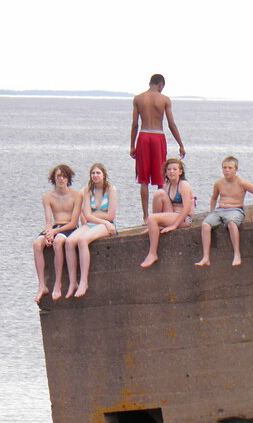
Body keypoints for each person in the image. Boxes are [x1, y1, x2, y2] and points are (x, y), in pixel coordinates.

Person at [130, 73, 186, 220]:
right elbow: (171, 124)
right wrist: (180, 144)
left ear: (150, 83)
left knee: (143, 180)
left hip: (143, 136)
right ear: (160, 85)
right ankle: (160, 215)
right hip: (158, 136)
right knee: (160, 178)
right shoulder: (164, 100)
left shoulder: (138, 99)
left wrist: (132, 145)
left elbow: (135, 124)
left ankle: (145, 216)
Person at [195, 157, 253, 267]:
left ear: (236, 170)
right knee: (205, 225)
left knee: (231, 224)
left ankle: (237, 254)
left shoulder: (241, 182)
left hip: (236, 209)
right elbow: (214, 198)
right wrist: (212, 212)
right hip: (220, 209)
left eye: (230, 168)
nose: (227, 170)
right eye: (224, 168)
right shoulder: (218, 183)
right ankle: (206, 257)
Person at [64, 163, 118, 298]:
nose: (95, 176)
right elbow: (87, 215)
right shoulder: (87, 191)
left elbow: (111, 215)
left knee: (83, 241)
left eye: (98, 173)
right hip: (95, 223)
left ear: (104, 175)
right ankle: (72, 282)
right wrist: (100, 218)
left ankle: (84, 282)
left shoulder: (111, 190)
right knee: (70, 242)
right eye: (93, 173)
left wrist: (101, 220)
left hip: (107, 225)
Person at [33, 164, 80, 303]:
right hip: (55, 226)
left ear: (68, 178)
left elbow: (73, 223)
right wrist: (48, 234)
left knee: (58, 242)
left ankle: (58, 284)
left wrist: (55, 232)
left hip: (69, 227)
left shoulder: (76, 196)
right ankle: (42, 285)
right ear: (54, 178)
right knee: (37, 244)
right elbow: (48, 220)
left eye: (64, 176)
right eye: (58, 176)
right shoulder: (48, 197)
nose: (61, 179)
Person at [140, 158, 194, 268]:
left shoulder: (183, 185)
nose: (172, 172)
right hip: (172, 214)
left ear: (180, 171)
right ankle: (154, 226)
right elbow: (163, 202)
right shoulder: (167, 186)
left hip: (184, 218)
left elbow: (187, 208)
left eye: (175, 169)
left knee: (151, 218)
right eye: (169, 169)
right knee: (158, 193)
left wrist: (174, 225)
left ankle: (153, 253)